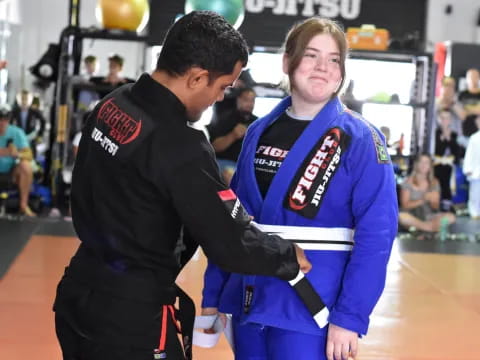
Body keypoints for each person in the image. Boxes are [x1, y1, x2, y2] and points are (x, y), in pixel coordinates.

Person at [53, 11, 311, 360]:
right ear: (197, 78)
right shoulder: (181, 145)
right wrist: (285, 255)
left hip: (78, 296)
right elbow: (228, 242)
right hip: (130, 319)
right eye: (222, 87)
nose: (220, 98)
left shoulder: (114, 103)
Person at [202, 17, 398, 360]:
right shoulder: (258, 133)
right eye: (311, 55)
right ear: (287, 62)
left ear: (342, 71)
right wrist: (215, 292)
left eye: (334, 59)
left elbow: (377, 235)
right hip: (251, 299)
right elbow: (234, 222)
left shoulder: (362, 140)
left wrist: (349, 318)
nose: (323, 67)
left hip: (312, 309)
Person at [207, 87, 257, 184]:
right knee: (231, 175)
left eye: (252, 100)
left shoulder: (258, 123)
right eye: (246, 100)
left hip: (248, 166)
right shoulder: (224, 119)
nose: (250, 104)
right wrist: (233, 135)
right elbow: (214, 147)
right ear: (238, 100)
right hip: (225, 162)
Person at [399, 153, 456, 233]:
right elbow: (405, 206)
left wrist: (433, 200)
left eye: (426, 162)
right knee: (401, 217)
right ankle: (429, 228)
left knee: (451, 217)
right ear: (417, 164)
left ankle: (423, 227)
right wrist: (423, 199)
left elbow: (435, 208)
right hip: (412, 215)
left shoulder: (434, 182)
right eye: (421, 162)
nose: (424, 165)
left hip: (428, 215)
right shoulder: (408, 182)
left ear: (430, 166)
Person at [0, 106, 36, 216]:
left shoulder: (17, 132)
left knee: (26, 166)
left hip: (10, 171)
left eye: (5, 120)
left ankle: (23, 205)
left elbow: (29, 154)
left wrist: (17, 154)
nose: (2, 122)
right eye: (0, 119)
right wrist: (5, 151)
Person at [433, 109, 460, 210]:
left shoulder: (454, 135)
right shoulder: (435, 134)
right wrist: (443, 137)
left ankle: (446, 205)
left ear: (450, 120)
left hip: (448, 166)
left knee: (447, 186)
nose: (445, 121)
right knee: (436, 184)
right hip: (436, 164)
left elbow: (457, 152)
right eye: (442, 118)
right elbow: (437, 150)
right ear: (439, 119)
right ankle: (435, 205)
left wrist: (448, 139)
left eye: (447, 118)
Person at [463, 115, 480, 219]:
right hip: (476, 171)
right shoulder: (474, 138)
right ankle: (474, 212)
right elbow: (468, 154)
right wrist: (468, 168)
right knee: (475, 193)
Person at [458, 68, 480, 139]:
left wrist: (468, 110)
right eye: (471, 77)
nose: (473, 79)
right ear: (467, 79)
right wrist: (475, 110)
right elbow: (461, 114)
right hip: (464, 133)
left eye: (475, 76)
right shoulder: (461, 95)